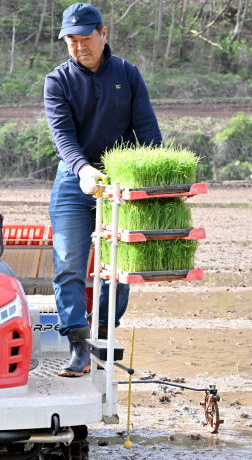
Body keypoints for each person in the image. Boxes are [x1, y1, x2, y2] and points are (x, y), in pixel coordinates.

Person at [44, 3, 162, 377]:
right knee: (68, 265)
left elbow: (147, 132)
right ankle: (78, 346)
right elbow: (62, 135)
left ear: (103, 33)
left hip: (119, 182)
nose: (79, 47)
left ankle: (102, 333)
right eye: (72, 40)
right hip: (74, 180)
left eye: (86, 38)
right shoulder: (57, 81)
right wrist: (82, 170)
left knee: (119, 267)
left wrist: (157, 182)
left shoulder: (126, 74)